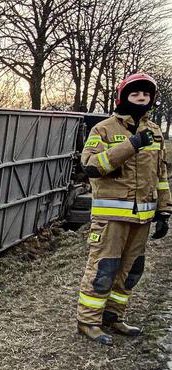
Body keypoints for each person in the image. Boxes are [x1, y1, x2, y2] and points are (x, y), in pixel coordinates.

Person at [77, 73, 171, 345]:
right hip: (111, 218)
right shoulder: (104, 129)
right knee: (103, 268)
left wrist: (164, 210)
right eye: (135, 94)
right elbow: (92, 166)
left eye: (146, 95)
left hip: (142, 218)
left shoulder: (154, 131)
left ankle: (113, 317)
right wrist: (131, 145)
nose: (141, 98)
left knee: (131, 270)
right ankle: (88, 321)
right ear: (123, 97)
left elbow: (160, 173)